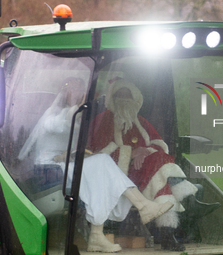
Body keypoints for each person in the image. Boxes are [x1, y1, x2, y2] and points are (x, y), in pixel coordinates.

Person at [18, 77, 173, 253]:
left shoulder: (78, 119)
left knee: (102, 171)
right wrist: (79, 110)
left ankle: (97, 236)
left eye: (81, 89)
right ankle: (142, 207)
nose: (78, 93)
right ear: (64, 91)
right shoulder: (54, 115)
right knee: (103, 163)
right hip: (47, 169)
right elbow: (58, 125)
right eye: (73, 89)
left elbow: (78, 144)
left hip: (65, 165)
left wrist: (74, 152)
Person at [88, 78, 220, 251]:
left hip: (144, 172)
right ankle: (187, 204)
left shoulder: (140, 121)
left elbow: (159, 145)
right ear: (112, 98)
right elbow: (96, 156)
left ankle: (168, 235)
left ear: (135, 99)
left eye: (128, 96)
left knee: (160, 176)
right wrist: (132, 152)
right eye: (119, 95)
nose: (124, 100)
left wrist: (145, 151)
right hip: (118, 176)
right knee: (159, 164)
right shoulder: (102, 120)